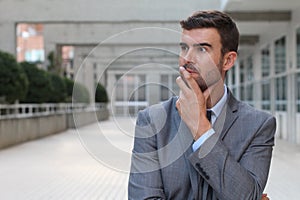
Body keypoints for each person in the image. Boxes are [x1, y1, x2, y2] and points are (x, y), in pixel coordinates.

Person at [128, 10, 276, 200]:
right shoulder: (152, 120)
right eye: (184, 47)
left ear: (228, 60)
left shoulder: (259, 125)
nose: (187, 58)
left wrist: (202, 129)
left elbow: (246, 196)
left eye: (201, 49)